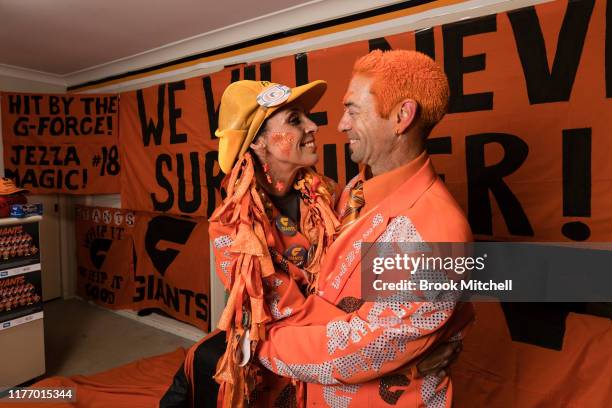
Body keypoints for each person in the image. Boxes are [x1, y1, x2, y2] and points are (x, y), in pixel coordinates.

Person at [161, 74, 461, 408]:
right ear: (258, 143)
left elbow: (397, 278)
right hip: (280, 360)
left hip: (332, 359)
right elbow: (289, 313)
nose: (314, 125)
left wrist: (431, 337)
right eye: (294, 120)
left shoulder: (332, 194)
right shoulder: (232, 227)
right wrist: (400, 352)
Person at [253, 49, 474, 407]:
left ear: (402, 116)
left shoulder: (434, 230)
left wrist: (255, 341)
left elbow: (354, 351)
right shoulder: (353, 192)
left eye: (353, 111)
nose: (339, 124)